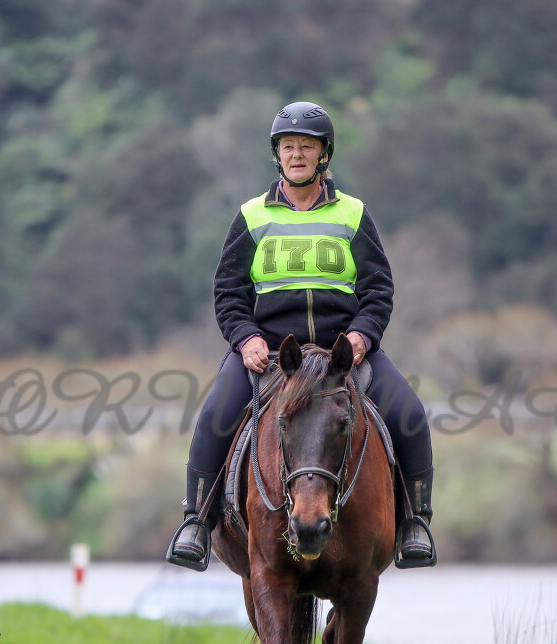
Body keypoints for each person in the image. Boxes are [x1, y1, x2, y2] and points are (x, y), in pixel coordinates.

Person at [166, 102, 436, 570]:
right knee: (213, 415)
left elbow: (378, 290)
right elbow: (229, 292)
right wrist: (245, 338)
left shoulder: (353, 214)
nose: (296, 154)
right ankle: (197, 522)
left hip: (342, 355)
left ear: (323, 154)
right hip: (272, 354)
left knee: (409, 414)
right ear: (277, 155)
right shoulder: (252, 216)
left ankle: (415, 523)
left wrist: (361, 337)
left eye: (306, 147)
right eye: (288, 146)